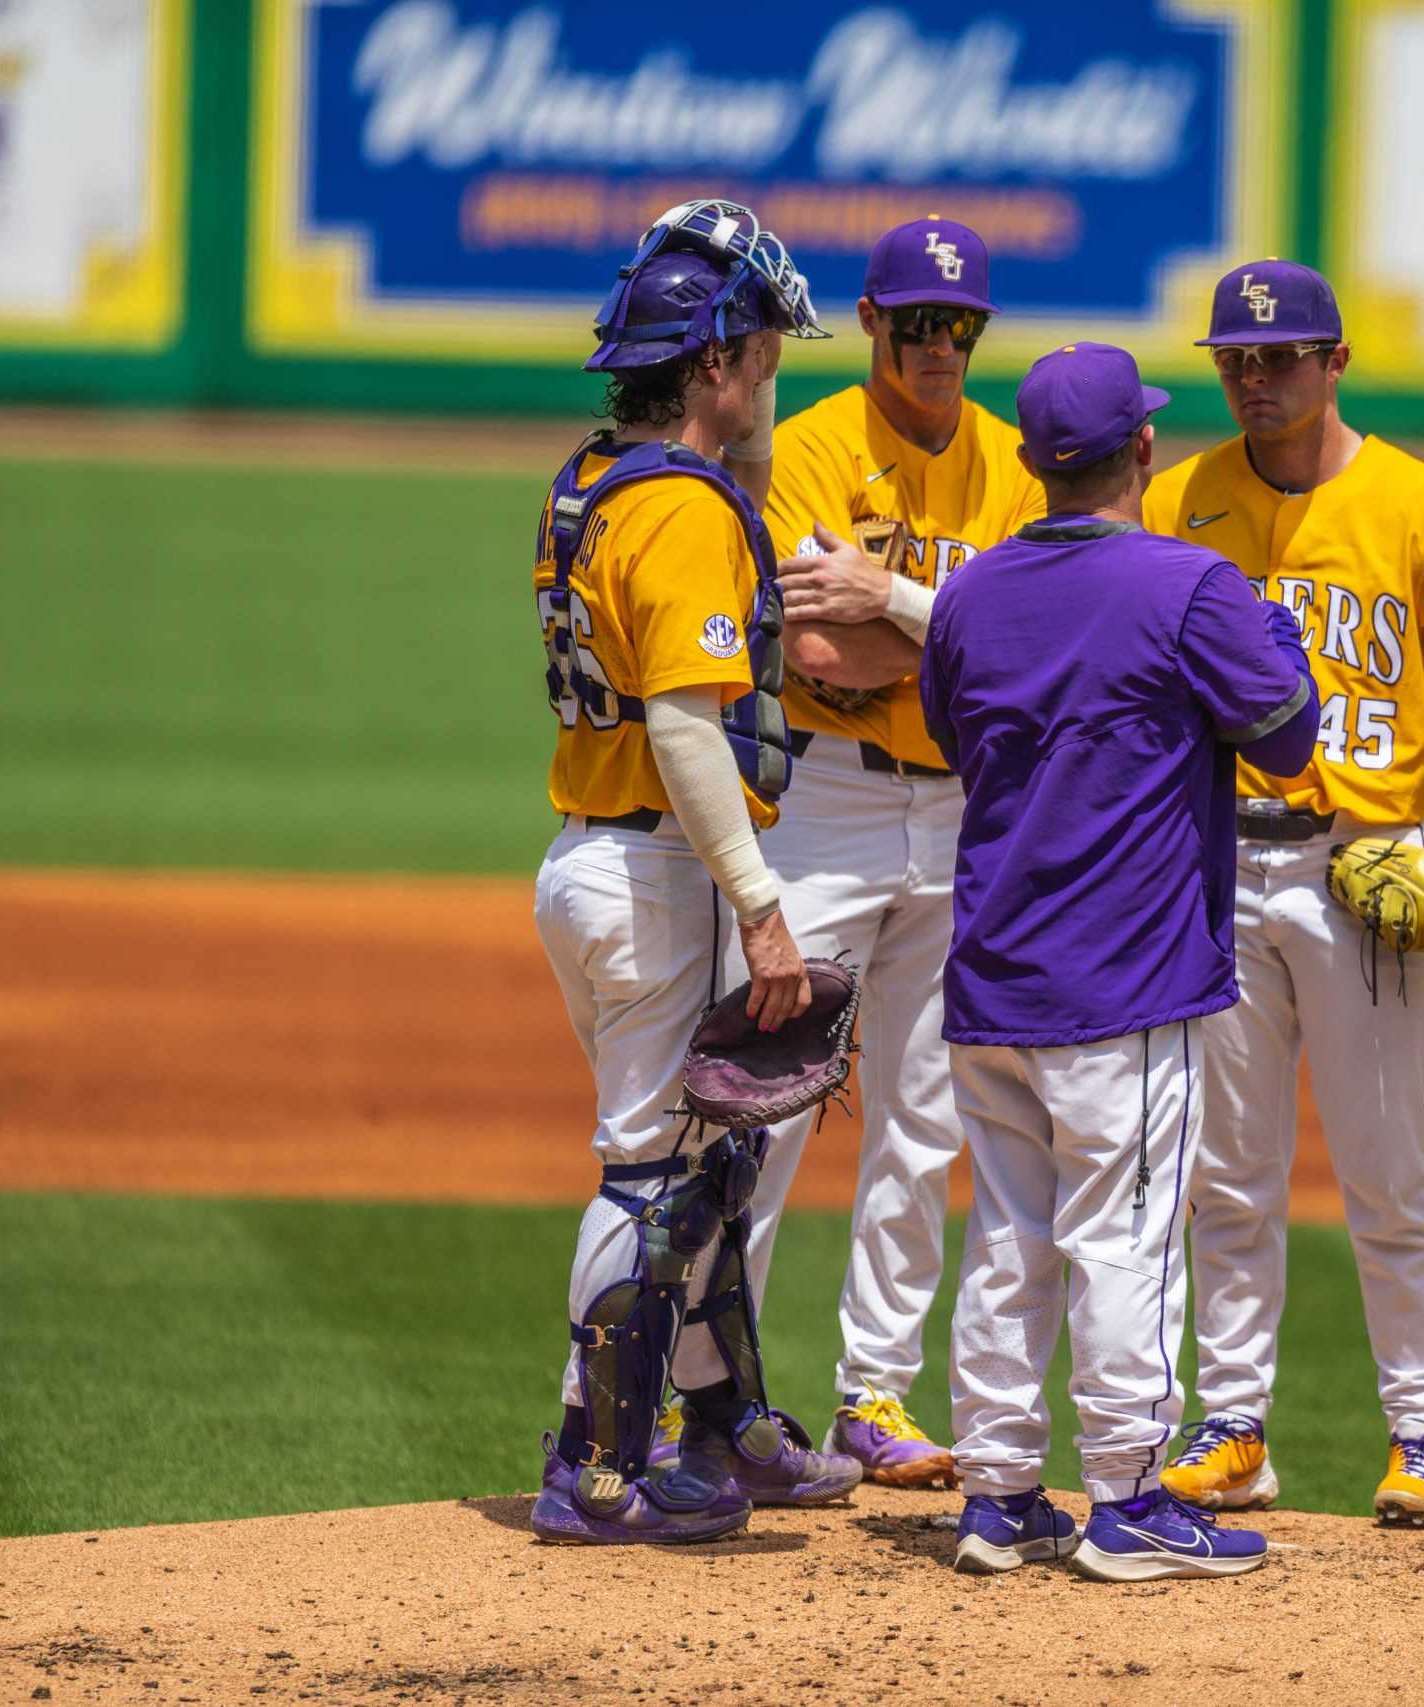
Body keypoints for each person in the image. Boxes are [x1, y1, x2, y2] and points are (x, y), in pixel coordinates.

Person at [1145, 259, 1424, 1528]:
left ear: (1333, 364)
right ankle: (1233, 1426)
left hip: (1364, 873)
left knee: (1384, 1171)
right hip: (1217, 865)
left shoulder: (1423, 507)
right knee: (1230, 1169)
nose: (1255, 381)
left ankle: (1423, 1431)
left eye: (1280, 359)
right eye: (1236, 362)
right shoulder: (1174, 502)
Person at [921, 342, 1318, 1582]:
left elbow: (948, 731)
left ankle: (994, 1497)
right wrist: (1272, 635)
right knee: (1127, 1240)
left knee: (1006, 1237)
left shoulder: (972, 593)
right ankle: (1133, 1499)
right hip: (1126, 979)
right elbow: (1288, 739)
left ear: (1036, 462)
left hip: (992, 970)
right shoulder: (1189, 586)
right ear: (1141, 448)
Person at [526, 200, 868, 1546]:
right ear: (717, 358)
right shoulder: (677, 509)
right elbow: (681, 726)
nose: (778, 368)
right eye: (766, 347)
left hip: (603, 861)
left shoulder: (600, 475)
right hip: (654, 872)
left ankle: (722, 1422)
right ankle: (596, 1464)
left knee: (707, 1160)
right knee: (649, 1175)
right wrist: (765, 911)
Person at [725, 216, 1046, 1489]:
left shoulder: (1019, 467)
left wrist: (905, 636)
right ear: (870, 322)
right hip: (827, 810)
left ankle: (876, 1393)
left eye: (959, 327)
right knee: (765, 1103)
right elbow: (817, 656)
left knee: (923, 1116)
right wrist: (950, 657)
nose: (938, 348)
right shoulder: (802, 452)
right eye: (916, 323)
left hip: (964, 814)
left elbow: (1029, 661)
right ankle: (719, 1393)